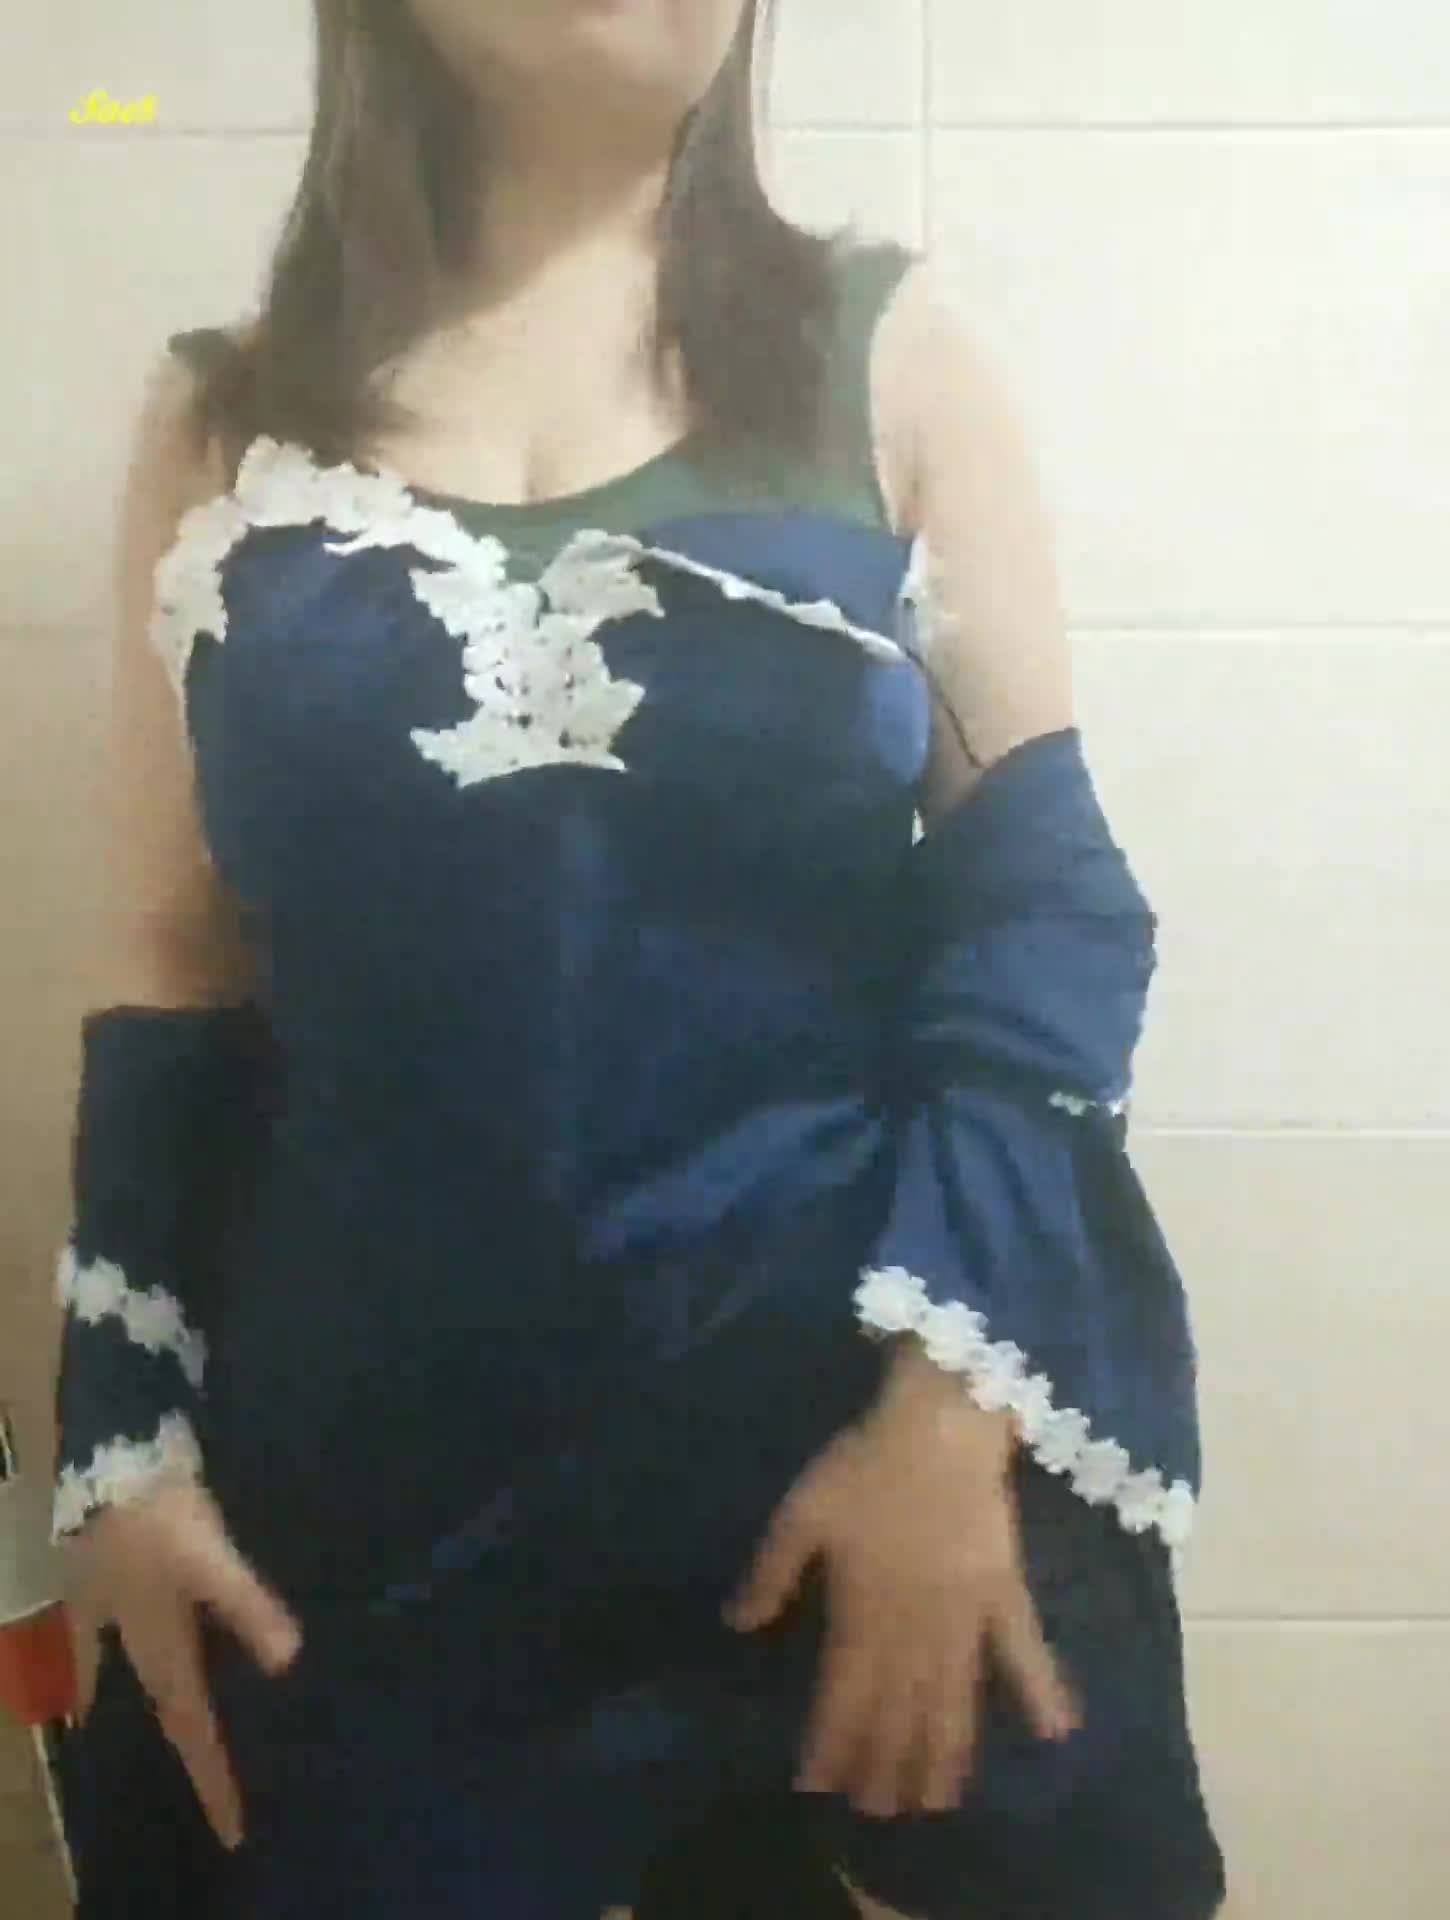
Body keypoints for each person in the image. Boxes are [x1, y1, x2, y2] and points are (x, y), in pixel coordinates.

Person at [50, 3, 1226, 1916]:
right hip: (354, 1513)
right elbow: (173, 971)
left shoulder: (885, 357)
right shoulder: (221, 425)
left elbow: (1043, 902)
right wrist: (120, 1441)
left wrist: (948, 1426)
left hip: (853, 1487)